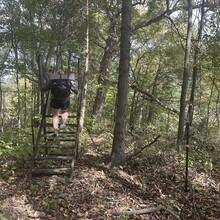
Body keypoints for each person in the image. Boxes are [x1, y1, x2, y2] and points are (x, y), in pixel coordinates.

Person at [43, 70, 78, 137]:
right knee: (64, 112)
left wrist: (43, 89)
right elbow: (74, 89)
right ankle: (64, 122)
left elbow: (46, 88)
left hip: (55, 99)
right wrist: (77, 92)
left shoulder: (53, 80)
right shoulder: (68, 80)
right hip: (65, 99)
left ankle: (55, 131)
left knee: (55, 115)